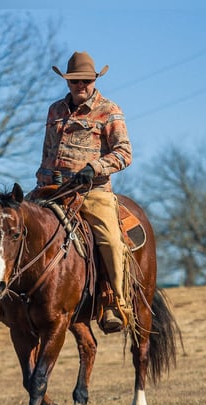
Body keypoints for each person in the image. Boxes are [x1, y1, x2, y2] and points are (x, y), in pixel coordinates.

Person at [36, 51, 132, 333]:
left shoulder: (109, 110)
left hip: (92, 192)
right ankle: (2, 299)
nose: (81, 85)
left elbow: (125, 153)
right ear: (67, 82)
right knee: (11, 223)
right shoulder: (54, 110)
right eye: (75, 80)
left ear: (94, 80)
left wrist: (96, 167)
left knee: (112, 242)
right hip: (51, 189)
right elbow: (47, 152)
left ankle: (116, 302)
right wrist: (40, 184)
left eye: (86, 80)